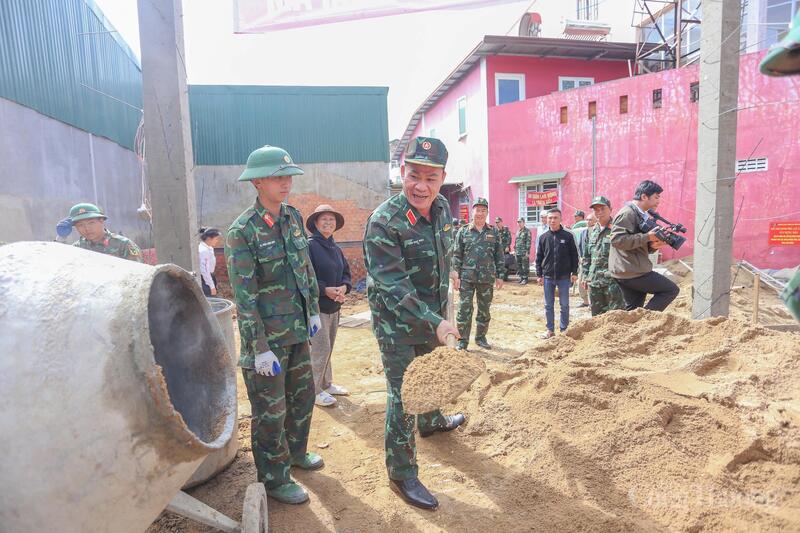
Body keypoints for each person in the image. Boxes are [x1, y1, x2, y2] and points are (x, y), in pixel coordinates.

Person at [363, 136, 464, 510]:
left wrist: (442, 314)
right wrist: (434, 321)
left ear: (442, 178)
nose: (420, 186)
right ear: (401, 173)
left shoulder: (441, 210)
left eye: (430, 177)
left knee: (433, 373)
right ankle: (401, 473)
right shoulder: (384, 222)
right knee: (404, 394)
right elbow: (392, 285)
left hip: (433, 317)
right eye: (413, 175)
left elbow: (441, 263)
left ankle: (433, 420)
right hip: (397, 325)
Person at [225, 145, 323, 505]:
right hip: (267, 340)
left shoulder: (293, 218)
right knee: (271, 412)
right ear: (257, 182)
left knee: (303, 398)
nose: (285, 183)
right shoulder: (242, 232)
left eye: (287, 176)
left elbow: (305, 270)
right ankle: (274, 477)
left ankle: (296, 453)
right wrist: (259, 348)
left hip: (297, 330)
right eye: (276, 177)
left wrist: (312, 308)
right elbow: (245, 296)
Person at [306, 204, 352, 408]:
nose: (328, 222)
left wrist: (343, 287)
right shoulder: (310, 246)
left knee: (329, 346)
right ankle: (314, 391)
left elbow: (346, 274)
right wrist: (324, 290)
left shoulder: (335, 248)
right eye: (323, 219)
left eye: (331, 220)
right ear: (316, 223)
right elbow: (306, 276)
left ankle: (326, 383)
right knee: (320, 348)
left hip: (335, 307)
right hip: (317, 307)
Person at [609, 180, 680, 311]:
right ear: (644, 197)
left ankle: (634, 327)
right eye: (656, 197)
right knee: (670, 290)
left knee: (633, 309)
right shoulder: (627, 213)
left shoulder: (640, 214)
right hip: (632, 271)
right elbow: (617, 240)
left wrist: (654, 245)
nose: (659, 201)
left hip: (631, 269)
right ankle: (646, 320)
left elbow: (636, 244)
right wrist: (648, 237)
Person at [452, 198, 505, 351]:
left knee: (484, 310)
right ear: (472, 211)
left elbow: (499, 254)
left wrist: (500, 275)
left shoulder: (493, 231)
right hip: (467, 278)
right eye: (477, 210)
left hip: (486, 278)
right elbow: (457, 255)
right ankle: (462, 341)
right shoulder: (463, 231)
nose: (480, 213)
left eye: (483, 210)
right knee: (464, 310)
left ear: (487, 212)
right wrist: (456, 276)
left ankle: (481, 338)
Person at [535, 208, 579, 338]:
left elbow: (574, 256)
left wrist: (575, 272)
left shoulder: (568, 236)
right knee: (548, 305)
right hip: (548, 277)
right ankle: (550, 330)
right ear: (546, 220)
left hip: (564, 277)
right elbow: (539, 257)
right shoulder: (543, 237)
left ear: (561, 219)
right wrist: (539, 275)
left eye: (555, 218)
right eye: (550, 218)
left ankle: (564, 330)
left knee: (564, 305)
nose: (552, 220)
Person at [581, 197, 625, 316]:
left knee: (616, 318)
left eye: (602, 208)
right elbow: (586, 257)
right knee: (596, 319)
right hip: (594, 283)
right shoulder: (592, 231)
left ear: (610, 209)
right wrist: (585, 276)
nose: (599, 212)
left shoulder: (618, 229)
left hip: (613, 283)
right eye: (596, 210)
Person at [68, 203, 143, 262]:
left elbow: (138, 275)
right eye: (80, 225)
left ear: (101, 221)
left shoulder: (124, 245)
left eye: (91, 223)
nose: (87, 228)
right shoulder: (76, 248)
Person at [574, 212, 596, 308]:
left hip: (594, 262)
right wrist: (579, 257)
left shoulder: (597, 231)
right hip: (584, 262)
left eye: (590, 220)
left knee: (591, 282)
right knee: (581, 281)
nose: (588, 221)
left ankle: (592, 302)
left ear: (595, 221)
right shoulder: (584, 232)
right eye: (587, 219)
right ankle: (585, 301)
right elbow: (579, 246)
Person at [198, 227, 223, 297]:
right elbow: (204, 271)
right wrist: (211, 286)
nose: (218, 241)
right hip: (205, 280)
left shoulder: (209, 248)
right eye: (216, 239)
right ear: (209, 239)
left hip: (210, 276)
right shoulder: (203, 251)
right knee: (209, 299)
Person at [514, 217, 532, 284]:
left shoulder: (527, 231)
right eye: (518, 222)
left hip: (524, 252)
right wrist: (515, 250)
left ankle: (525, 278)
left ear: (524, 222)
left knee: (525, 266)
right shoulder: (518, 231)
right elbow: (516, 241)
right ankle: (521, 278)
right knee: (519, 266)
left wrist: (527, 251)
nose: (519, 223)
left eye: (520, 222)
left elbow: (528, 241)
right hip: (518, 251)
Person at [496, 216, 512, 281]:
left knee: (506, 263)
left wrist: (507, 246)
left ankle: (505, 277)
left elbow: (509, 238)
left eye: (498, 222)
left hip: (505, 249)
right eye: (496, 222)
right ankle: (499, 277)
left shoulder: (506, 229)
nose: (497, 224)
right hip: (498, 250)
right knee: (498, 263)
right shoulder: (495, 230)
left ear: (501, 222)